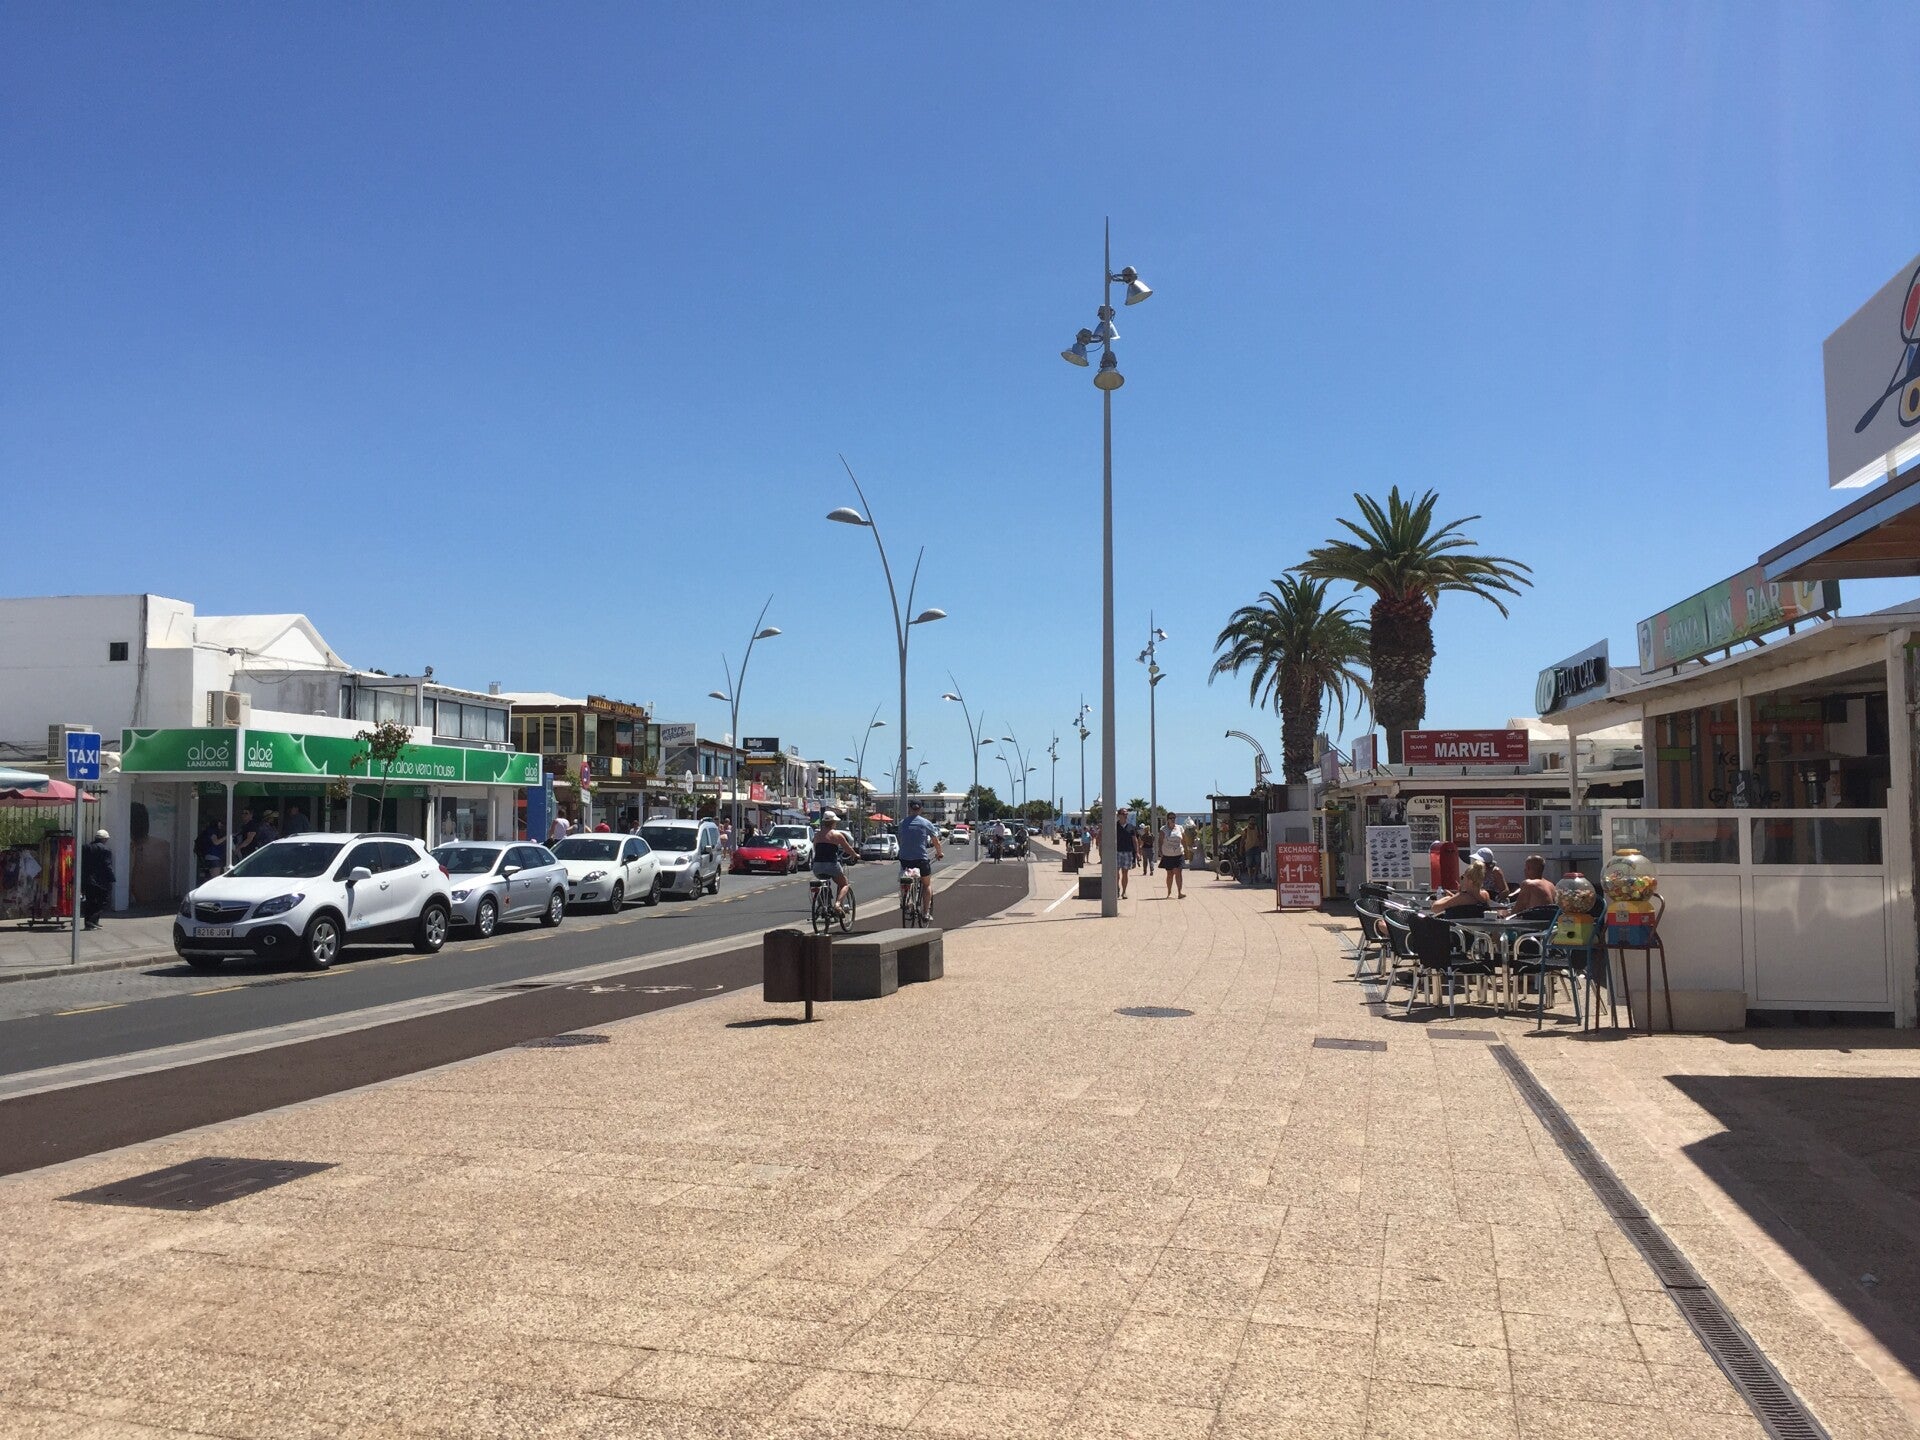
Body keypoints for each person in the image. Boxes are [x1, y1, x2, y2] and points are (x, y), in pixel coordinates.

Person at [896, 798, 945, 920]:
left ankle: (905, 899)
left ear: (909, 808)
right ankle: (925, 913)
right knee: (927, 884)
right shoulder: (926, 823)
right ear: (921, 809)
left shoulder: (902, 823)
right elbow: (936, 842)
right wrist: (939, 853)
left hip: (905, 859)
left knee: (904, 877)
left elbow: (901, 839)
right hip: (920, 859)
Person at [811, 809, 859, 914]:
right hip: (831, 865)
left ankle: (823, 904)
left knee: (824, 881)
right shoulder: (837, 834)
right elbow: (848, 849)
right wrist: (855, 855)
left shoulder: (817, 835)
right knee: (844, 884)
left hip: (817, 866)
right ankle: (837, 904)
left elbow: (815, 848)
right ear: (833, 822)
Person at [80, 828, 115, 929]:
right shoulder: (105, 850)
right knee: (103, 901)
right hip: (101, 880)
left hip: (87, 879)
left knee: (90, 901)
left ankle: (89, 922)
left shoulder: (86, 847)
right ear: (104, 839)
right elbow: (107, 865)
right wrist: (112, 877)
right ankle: (92, 920)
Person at [1159, 813, 1187, 899]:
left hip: (1178, 853)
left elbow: (1184, 840)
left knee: (1178, 872)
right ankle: (1169, 892)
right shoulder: (1163, 829)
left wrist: (1186, 850)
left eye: (1174, 818)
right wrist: (1160, 852)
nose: (1173, 819)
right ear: (1167, 819)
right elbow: (1160, 841)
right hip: (1168, 854)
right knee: (1170, 874)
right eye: (1171, 818)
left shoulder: (1180, 828)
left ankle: (1179, 892)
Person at [1113, 807, 1138, 898]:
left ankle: (1124, 892)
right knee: (1116, 873)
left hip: (1128, 852)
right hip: (1116, 852)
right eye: (1124, 814)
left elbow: (1134, 840)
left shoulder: (1131, 827)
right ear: (1119, 815)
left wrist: (1137, 852)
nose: (1126, 815)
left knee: (1125, 872)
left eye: (1127, 814)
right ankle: (1116, 888)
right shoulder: (1114, 826)